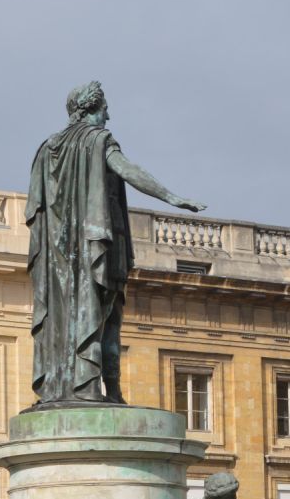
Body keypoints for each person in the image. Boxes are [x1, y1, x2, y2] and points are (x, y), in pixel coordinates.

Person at [26, 81, 205, 405]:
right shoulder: (99, 141)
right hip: (96, 248)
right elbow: (129, 171)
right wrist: (171, 196)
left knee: (63, 320)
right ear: (92, 109)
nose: (109, 114)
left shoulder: (47, 148)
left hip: (57, 259)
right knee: (105, 318)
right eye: (105, 107)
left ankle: (62, 386)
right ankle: (100, 389)